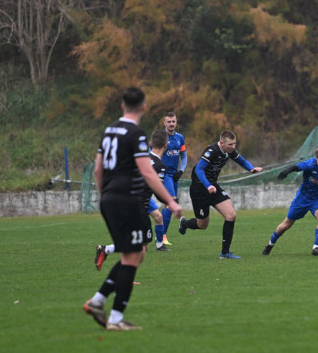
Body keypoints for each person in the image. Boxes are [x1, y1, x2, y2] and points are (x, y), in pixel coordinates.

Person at [83, 88, 182, 331]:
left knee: (137, 253)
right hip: (127, 200)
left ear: (121, 106)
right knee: (132, 257)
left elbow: (98, 170)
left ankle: (98, 302)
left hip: (109, 198)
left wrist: (104, 195)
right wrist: (170, 200)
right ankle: (115, 318)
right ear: (144, 107)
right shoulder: (136, 133)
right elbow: (147, 171)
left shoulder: (108, 131)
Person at [178, 130, 262, 259]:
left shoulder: (229, 151)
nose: (233, 147)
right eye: (230, 144)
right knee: (202, 225)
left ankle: (225, 253)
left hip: (213, 187)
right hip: (199, 190)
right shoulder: (211, 151)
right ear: (222, 143)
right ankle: (185, 224)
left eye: (235, 144)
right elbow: (199, 169)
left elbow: (242, 161)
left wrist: (251, 168)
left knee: (231, 215)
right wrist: (208, 186)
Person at [95, 130, 172, 269]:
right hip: (137, 207)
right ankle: (121, 274)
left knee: (140, 245)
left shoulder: (140, 158)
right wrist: (169, 201)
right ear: (166, 146)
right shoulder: (160, 166)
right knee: (139, 247)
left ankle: (107, 251)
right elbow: (157, 188)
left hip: (124, 200)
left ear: (150, 144)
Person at [263, 146, 318, 256]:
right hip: (302, 199)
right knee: (286, 225)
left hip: (316, 200)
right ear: (316, 158)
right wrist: (287, 171)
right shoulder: (310, 164)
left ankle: (316, 248)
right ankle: (270, 245)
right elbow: (296, 167)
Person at [158, 111, 187, 247]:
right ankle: (161, 238)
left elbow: (184, 156)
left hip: (174, 175)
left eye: (173, 121)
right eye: (168, 122)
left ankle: (161, 235)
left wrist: (181, 170)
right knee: (171, 203)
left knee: (167, 206)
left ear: (176, 122)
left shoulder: (180, 138)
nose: (171, 124)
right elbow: (152, 155)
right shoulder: (160, 137)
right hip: (165, 175)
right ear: (164, 123)